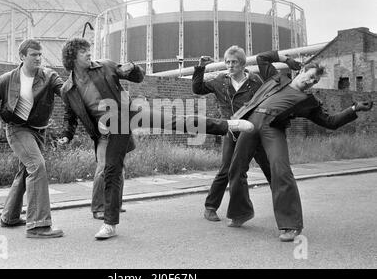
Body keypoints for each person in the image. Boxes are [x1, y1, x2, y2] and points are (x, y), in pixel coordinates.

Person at [58, 37, 254, 240]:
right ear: (72, 58)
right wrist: (66, 135)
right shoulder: (67, 89)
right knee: (111, 171)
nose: (89, 53)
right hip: (112, 128)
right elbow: (69, 116)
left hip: (128, 113)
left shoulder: (104, 66)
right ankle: (109, 224)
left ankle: (229, 125)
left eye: (88, 49)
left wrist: (132, 68)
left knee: (175, 120)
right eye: (83, 51)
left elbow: (137, 77)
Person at [226, 50, 374, 242]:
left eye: (315, 81)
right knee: (236, 168)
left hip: (273, 129)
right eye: (311, 77)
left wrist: (353, 109)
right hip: (250, 123)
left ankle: (290, 225)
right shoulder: (277, 78)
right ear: (302, 70)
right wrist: (287, 60)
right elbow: (262, 58)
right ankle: (241, 212)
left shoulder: (309, 102)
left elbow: (330, 121)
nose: (312, 82)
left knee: (281, 170)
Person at [0, 39, 64, 239]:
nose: (38, 58)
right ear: (22, 56)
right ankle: (38, 226)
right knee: (37, 167)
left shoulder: (49, 76)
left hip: (38, 131)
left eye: (40, 54)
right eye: (34, 54)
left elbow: (66, 92)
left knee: (25, 171)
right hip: (17, 129)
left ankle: (9, 217)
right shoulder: (6, 79)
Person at [192, 46, 272, 222]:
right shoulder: (221, 81)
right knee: (226, 169)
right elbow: (197, 89)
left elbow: (267, 101)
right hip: (231, 131)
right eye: (227, 62)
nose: (230, 65)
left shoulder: (255, 82)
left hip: (252, 131)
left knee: (268, 166)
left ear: (242, 63)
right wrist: (200, 68)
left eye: (234, 62)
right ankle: (210, 207)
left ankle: (283, 202)